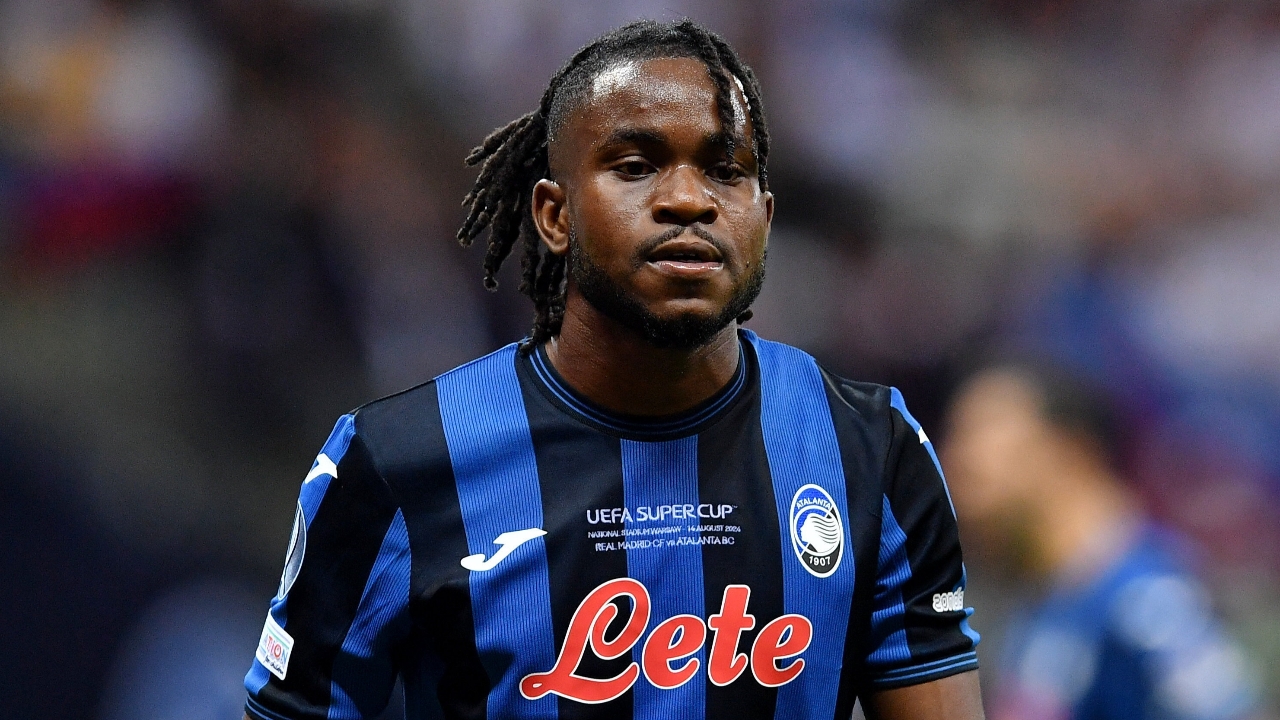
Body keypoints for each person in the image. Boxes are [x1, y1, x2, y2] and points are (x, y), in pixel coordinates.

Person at [243, 19, 984, 720]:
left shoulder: (872, 450)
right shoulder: (395, 461)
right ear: (554, 216)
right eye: (636, 166)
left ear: (763, 215)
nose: (689, 200)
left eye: (725, 170)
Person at [943, 360, 1259, 720]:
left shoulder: (1145, 597)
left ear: (1068, 449)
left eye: (979, 431)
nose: (957, 458)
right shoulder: (1044, 600)